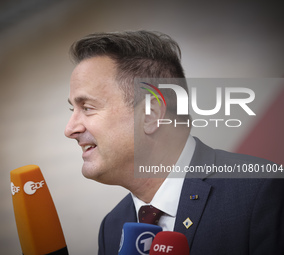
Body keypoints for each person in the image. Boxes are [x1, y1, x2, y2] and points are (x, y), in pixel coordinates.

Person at [64, 30, 284, 255]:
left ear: (150, 114)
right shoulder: (111, 227)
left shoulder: (260, 190)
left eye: (87, 108)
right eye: (73, 109)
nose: (69, 129)